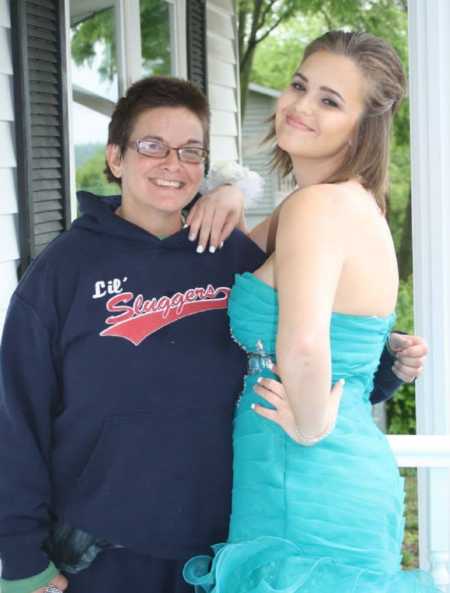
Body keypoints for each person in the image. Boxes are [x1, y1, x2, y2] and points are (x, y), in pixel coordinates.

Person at [0, 75, 424, 593]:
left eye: (190, 151)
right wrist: (21, 557)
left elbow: (295, 346)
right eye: (152, 146)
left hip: (220, 554)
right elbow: (15, 417)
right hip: (103, 555)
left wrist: (384, 365)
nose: (172, 164)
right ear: (116, 158)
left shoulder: (234, 259)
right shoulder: (61, 273)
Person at [183, 31, 440, 593]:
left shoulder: (315, 208)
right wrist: (231, 188)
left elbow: (303, 345)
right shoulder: (345, 203)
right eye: (299, 85)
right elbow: (215, 269)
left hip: (300, 469)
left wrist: (309, 423)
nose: (300, 105)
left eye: (330, 100)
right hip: (325, 466)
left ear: (363, 124)